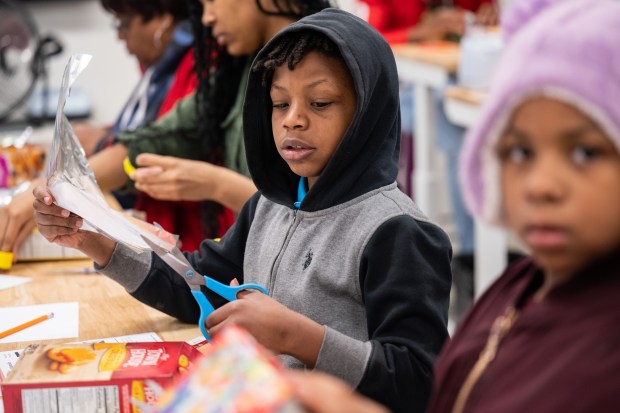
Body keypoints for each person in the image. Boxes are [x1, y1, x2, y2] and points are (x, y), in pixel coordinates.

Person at [33, 8, 452, 413]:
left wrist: (296, 335)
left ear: (367, 115)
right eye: (279, 103)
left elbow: (418, 383)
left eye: (321, 103)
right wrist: (95, 241)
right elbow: (195, 288)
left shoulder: (399, 232)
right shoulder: (269, 206)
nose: (293, 121)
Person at [272, 1, 620, 412]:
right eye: (520, 151)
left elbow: (415, 376)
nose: (541, 186)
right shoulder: (518, 288)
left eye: (584, 153)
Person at [0, 0, 196, 258]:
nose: (119, 35)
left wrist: (58, 185)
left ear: (164, 20)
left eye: (125, 23)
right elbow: (146, 132)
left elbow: (153, 143)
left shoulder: (195, 69)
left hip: (182, 242)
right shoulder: (158, 70)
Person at [362, 0, 500, 320]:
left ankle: (471, 262)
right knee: (455, 125)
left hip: (449, 82)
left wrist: (486, 18)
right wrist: (420, 31)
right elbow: (365, 41)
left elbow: (488, 17)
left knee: (462, 124)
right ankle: (469, 260)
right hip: (404, 90)